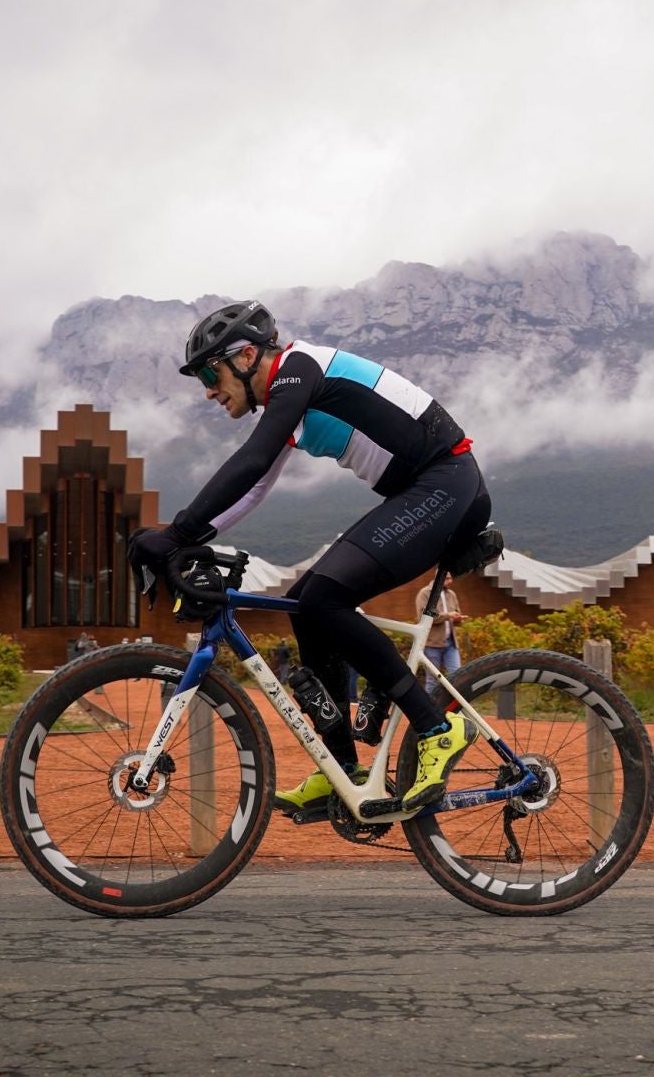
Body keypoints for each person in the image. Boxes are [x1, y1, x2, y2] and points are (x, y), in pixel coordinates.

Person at [128, 300, 489, 815]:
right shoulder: (288, 400)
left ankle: (436, 726)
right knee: (305, 606)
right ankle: (342, 768)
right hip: (425, 491)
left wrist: (179, 532)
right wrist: (181, 541)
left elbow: (250, 459)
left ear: (248, 354)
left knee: (324, 599)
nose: (209, 389)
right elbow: (253, 488)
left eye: (211, 372)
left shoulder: (299, 370)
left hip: (447, 481)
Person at [411, 571, 464, 695]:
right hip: (432, 644)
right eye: (448, 578)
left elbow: (456, 613)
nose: (451, 581)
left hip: (451, 644)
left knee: (457, 677)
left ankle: (456, 708)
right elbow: (425, 616)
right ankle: (431, 709)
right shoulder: (424, 593)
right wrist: (448, 615)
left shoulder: (452, 594)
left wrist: (457, 618)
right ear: (440, 577)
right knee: (433, 680)